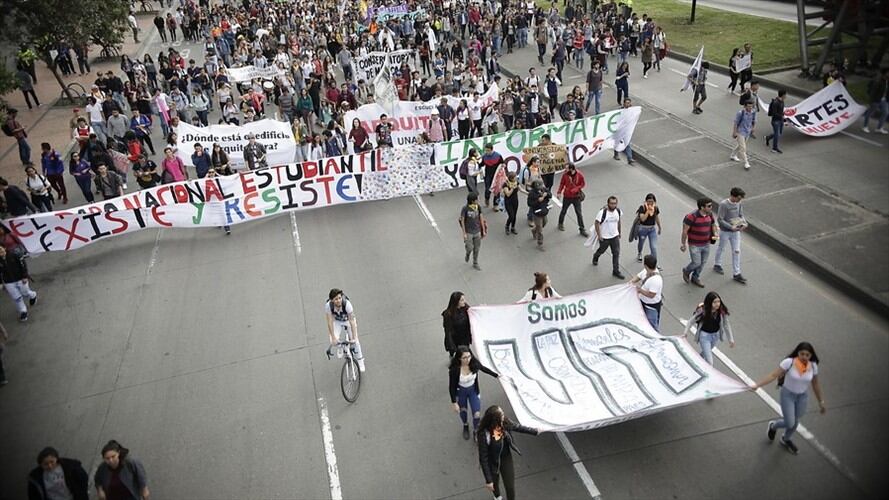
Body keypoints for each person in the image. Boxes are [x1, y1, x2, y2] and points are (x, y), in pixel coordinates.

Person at [751, 342, 827, 456]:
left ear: (811, 355)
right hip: (788, 395)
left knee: (795, 420)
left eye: (808, 355)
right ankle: (773, 426)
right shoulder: (789, 362)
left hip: (802, 397)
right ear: (798, 353)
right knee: (790, 422)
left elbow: (815, 384)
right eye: (802, 354)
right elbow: (773, 375)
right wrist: (757, 385)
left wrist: (821, 401)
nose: (805, 357)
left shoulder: (813, 366)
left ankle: (786, 439)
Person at [477, 405, 540, 500]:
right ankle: (497, 497)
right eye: (501, 415)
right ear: (495, 420)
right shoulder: (484, 434)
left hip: (505, 458)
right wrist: (488, 480)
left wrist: (535, 431)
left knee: (510, 486)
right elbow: (483, 458)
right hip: (492, 462)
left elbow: (518, 427)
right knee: (494, 484)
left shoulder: (504, 422)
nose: (504, 415)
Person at [450, 346, 499, 441]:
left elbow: (484, 369)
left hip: (473, 390)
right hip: (461, 392)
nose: (467, 359)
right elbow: (451, 386)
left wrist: (496, 375)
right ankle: (465, 425)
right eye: (464, 357)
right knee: (463, 411)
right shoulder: (455, 370)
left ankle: (476, 431)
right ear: (459, 358)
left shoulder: (474, 363)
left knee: (477, 414)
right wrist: (454, 402)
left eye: (469, 356)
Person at [682, 291, 735, 365]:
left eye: (718, 301)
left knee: (706, 352)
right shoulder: (703, 311)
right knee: (710, 362)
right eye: (715, 302)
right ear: (710, 303)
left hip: (715, 336)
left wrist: (731, 339)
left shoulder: (721, 311)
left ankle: (696, 361)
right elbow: (691, 321)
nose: (717, 304)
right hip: (705, 337)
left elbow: (726, 324)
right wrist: (685, 332)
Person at [714, 187, 748, 284]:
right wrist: (730, 227)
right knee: (721, 248)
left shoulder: (739, 204)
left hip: (736, 231)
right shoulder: (724, 204)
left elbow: (741, 215)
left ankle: (737, 273)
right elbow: (720, 219)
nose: (739, 200)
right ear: (733, 196)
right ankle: (717, 264)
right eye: (738, 198)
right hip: (725, 231)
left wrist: (744, 223)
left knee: (737, 251)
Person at [681, 197, 718, 288]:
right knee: (696, 262)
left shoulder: (710, 214)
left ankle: (695, 277)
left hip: (706, 243)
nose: (711, 208)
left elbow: (713, 225)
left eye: (711, 205)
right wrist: (683, 244)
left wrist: (715, 233)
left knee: (703, 262)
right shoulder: (691, 216)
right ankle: (686, 270)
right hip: (694, 244)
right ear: (702, 207)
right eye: (709, 206)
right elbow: (685, 231)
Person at [325, 288, 365, 372]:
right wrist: (333, 337)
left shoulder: (347, 304)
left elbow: (352, 321)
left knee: (356, 342)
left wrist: (354, 337)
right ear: (332, 300)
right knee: (333, 341)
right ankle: (341, 347)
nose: (339, 300)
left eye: (340, 298)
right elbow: (329, 322)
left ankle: (360, 360)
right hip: (337, 321)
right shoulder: (328, 306)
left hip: (348, 321)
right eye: (336, 299)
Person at [0, 245, 38, 322]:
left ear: (4, 248)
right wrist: (1, 283)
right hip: (8, 281)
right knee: (16, 298)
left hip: (20, 278)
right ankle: (23, 311)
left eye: (0, 249)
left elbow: (23, 265)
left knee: (25, 293)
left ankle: (33, 295)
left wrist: (24, 276)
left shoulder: (14, 255)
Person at [592, 196, 625, 279]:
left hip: (615, 236)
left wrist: (619, 232)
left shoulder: (618, 211)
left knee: (616, 253)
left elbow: (619, 221)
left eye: (615, 203)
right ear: (608, 203)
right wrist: (599, 235)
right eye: (611, 203)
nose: (613, 205)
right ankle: (596, 256)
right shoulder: (602, 212)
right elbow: (596, 223)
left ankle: (616, 271)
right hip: (605, 237)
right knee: (602, 250)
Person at [629, 255, 663, 331]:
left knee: (652, 325)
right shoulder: (646, 271)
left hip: (651, 306)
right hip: (642, 302)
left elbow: (651, 295)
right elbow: (638, 276)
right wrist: (631, 282)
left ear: (645, 265)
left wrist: (639, 290)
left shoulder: (656, 280)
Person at [556, 163, 589, 236]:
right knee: (564, 211)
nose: (565, 169)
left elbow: (583, 184)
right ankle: (560, 223)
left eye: (567, 168)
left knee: (579, 213)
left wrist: (576, 188)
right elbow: (562, 183)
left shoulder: (579, 175)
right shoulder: (565, 174)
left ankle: (582, 229)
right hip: (567, 196)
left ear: (571, 169)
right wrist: (559, 192)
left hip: (576, 197)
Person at [459, 192, 485, 271]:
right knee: (470, 247)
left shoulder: (478, 207)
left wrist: (483, 230)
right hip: (469, 232)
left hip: (477, 231)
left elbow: (481, 218)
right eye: (477, 199)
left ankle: (475, 263)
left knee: (476, 249)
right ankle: (467, 253)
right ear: (472, 201)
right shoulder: (465, 209)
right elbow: (462, 221)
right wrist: (464, 233)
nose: (478, 200)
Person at [442, 291, 471, 357]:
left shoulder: (465, 307)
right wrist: (452, 346)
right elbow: (448, 331)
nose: (464, 301)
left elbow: (472, 311)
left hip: (464, 337)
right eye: (462, 300)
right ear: (456, 302)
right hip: (455, 338)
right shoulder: (448, 314)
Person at [634, 193, 662, 262]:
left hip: (652, 229)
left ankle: (654, 263)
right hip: (643, 229)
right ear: (646, 201)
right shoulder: (642, 208)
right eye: (648, 201)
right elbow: (643, 219)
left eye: (652, 201)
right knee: (641, 243)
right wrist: (648, 211)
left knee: (654, 247)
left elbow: (656, 217)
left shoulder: (655, 208)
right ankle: (639, 253)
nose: (650, 203)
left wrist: (659, 227)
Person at [861, 67, 888, 134]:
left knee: (885, 113)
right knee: (870, 113)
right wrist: (871, 101)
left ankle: (879, 128)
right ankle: (865, 126)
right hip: (876, 99)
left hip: (884, 100)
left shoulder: (887, 81)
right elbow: (873, 91)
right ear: (885, 73)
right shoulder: (878, 80)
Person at [731, 99, 756, 170]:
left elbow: (753, 121)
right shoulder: (740, 113)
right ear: (745, 106)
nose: (750, 108)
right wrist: (734, 132)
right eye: (748, 106)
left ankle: (733, 155)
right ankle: (746, 162)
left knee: (741, 145)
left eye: (751, 106)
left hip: (747, 131)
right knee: (743, 148)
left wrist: (753, 128)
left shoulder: (753, 112)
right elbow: (736, 123)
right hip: (740, 132)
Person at [528, 179, 551, 251]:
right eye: (541, 186)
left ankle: (534, 230)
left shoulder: (544, 189)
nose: (542, 187)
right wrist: (538, 201)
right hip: (537, 212)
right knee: (540, 229)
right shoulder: (532, 193)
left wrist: (547, 194)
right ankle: (540, 243)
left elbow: (550, 195)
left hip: (544, 210)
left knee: (545, 222)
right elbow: (530, 204)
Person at [481, 144, 504, 209]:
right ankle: (487, 198)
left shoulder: (498, 156)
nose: (486, 152)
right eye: (485, 150)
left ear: (491, 149)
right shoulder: (484, 156)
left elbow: (502, 163)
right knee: (487, 189)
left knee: (497, 190)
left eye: (488, 150)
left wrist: (503, 165)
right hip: (488, 175)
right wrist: (476, 164)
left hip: (496, 175)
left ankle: (495, 205)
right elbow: (482, 164)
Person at [765, 89, 787, 153]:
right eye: (785, 95)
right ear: (783, 95)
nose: (786, 96)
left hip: (780, 120)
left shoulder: (782, 102)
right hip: (775, 121)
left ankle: (768, 138)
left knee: (778, 133)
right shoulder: (776, 102)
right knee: (777, 134)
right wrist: (781, 116)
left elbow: (781, 111)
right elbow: (774, 113)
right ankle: (774, 148)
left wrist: (783, 116)